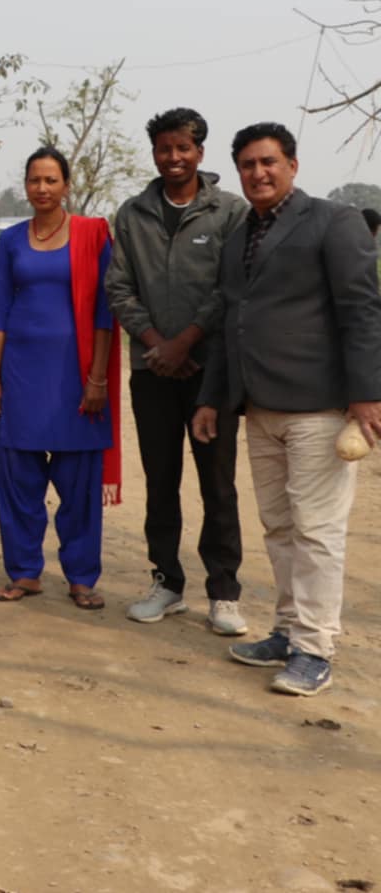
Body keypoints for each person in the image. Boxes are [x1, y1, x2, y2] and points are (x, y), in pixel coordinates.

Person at [192, 122, 381, 697]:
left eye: (268, 162)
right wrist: (210, 399)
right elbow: (230, 322)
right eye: (247, 164)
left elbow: (362, 309)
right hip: (260, 406)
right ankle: (286, 629)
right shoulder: (237, 237)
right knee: (279, 526)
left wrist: (367, 394)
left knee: (318, 530)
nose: (258, 173)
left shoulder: (333, 221)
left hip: (320, 407)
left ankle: (315, 647)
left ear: (293, 165)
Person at [105, 108, 249, 634]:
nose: (173, 158)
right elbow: (118, 287)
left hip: (211, 375)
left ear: (200, 153)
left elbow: (229, 289)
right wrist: (155, 344)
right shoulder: (133, 214)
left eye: (182, 148)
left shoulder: (229, 212)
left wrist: (186, 341)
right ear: (155, 154)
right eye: (164, 149)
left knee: (219, 484)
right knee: (160, 480)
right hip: (152, 372)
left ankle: (224, 593)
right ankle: (166, 583)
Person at [0, 146, 120, 609]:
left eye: (51, 180)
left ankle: (81, 576)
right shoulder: (11, 240)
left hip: (75, 374)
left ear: (66, 185)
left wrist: (98, 378)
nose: (42, 189)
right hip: (21, 374)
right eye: (34, 180)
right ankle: (25, 572)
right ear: (25, 185)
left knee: (79, 480)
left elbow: (105, 312)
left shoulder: (91, 236)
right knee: (17, 475)